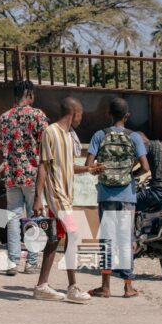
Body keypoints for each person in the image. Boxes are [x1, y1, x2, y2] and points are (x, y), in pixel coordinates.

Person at [32, 97, 101, 303]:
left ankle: (42, 285)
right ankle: (72, 287)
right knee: (74, 233)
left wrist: (90, 168)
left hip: (65, 195)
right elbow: (43, 166)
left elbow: (69, 167)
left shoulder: (69, 136)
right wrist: (38, 198)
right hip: (56, 194)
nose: (81, 118)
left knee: (55, 238)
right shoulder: (50, 132)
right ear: (73, 113)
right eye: (81, 114)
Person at [84, 97, 149, 299]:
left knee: (107, 240)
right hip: (127, 196)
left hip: (105, 195)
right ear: (127, 116)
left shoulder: (99, 135)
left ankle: (105, 287)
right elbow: (146, 167)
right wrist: (130, 176)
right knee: (125, 239)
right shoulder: (134, 137)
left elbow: (89, 165)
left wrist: (99, 172)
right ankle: (128, 287)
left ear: (108, 114)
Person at [0, 80, 49, 276]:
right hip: (34, 175)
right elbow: (46, 144)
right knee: (33, 217)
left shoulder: (4, 117)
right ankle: (32, 262)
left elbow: (1, 145)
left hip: (11, 174)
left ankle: (12, 262)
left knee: (13, 217)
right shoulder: (38, 115)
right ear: (29, 95)